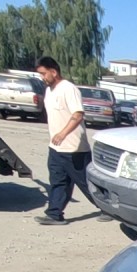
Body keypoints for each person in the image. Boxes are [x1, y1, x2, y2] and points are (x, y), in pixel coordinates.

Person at [33, 56, 110, 225]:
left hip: (74, 149)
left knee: (86, 182)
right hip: (55, 148)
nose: (42, 78)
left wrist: (63, 133)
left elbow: (78, 114)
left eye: (44, 74)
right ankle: (54, 214)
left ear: (54, 72)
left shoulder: (68, 89)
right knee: (58, 181)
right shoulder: (49, 91)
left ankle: (108, 208)